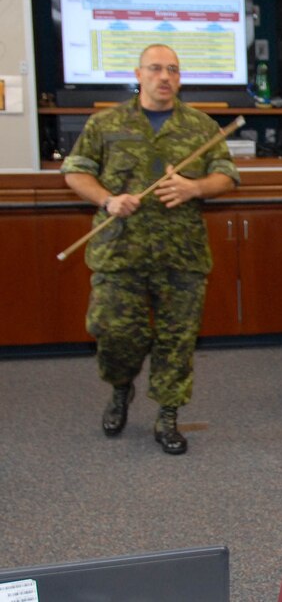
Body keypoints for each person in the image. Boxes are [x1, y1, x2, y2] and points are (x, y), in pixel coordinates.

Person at [61, 43, 240, 455]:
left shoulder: (199, 126)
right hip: (119, 253)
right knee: (114, 333)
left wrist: (195, 187)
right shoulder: (105, 124)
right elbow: (76, 172)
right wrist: (108, 199)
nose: (165, 77)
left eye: (173, 70)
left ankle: (168, 415)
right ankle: (121, 387)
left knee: (177, 339)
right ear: (138, 74)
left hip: (181, 254)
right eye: (156, 69)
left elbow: (227, 176)